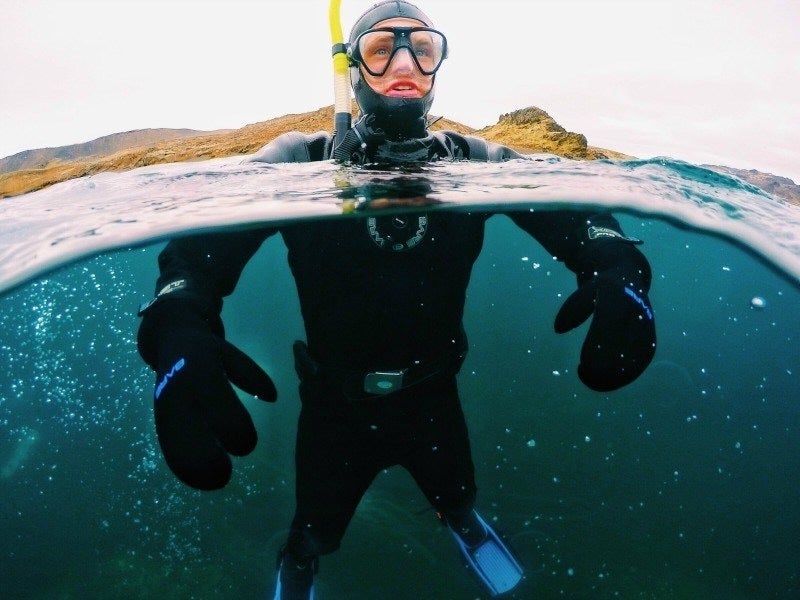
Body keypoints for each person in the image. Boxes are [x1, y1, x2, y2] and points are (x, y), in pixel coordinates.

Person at [136, 1, 657, 598]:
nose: (405, 62)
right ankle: (301, 556)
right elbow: (201, 251)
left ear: (438, 66)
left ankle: (460, 521)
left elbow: (577, 213)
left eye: (424, 49)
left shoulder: (474, 161)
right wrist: (176, 322)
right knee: (316, 526)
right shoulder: (301, 159)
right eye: (382, 49)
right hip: (334, 407)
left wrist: (620, 263)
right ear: (352, 67)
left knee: (457, 494)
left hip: (432, 398)